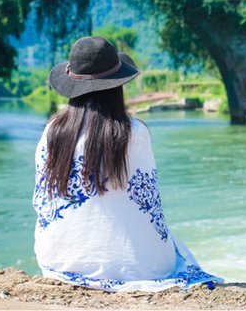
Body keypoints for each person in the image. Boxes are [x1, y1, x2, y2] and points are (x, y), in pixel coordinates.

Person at [33, 36, 223, 292]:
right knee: (173, 249)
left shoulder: (53, 132)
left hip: (59, 260)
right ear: (117, 86)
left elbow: (43, 200)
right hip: (138, 266)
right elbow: (149, 204)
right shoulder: (134, 132)